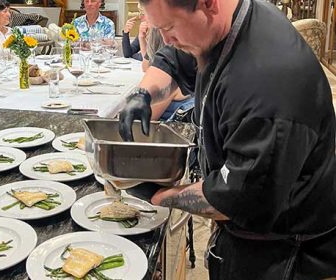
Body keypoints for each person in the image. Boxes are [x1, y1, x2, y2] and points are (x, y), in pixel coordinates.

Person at [118, 0, 336, 279]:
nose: (168, 39)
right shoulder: (229, 18)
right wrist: (143, 94)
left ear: (208, 4)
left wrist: (160, 196)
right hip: (249, 227)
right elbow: (174, 59)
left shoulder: (269, 87)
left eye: (169, 27)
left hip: (287, 252)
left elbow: (234, 199)